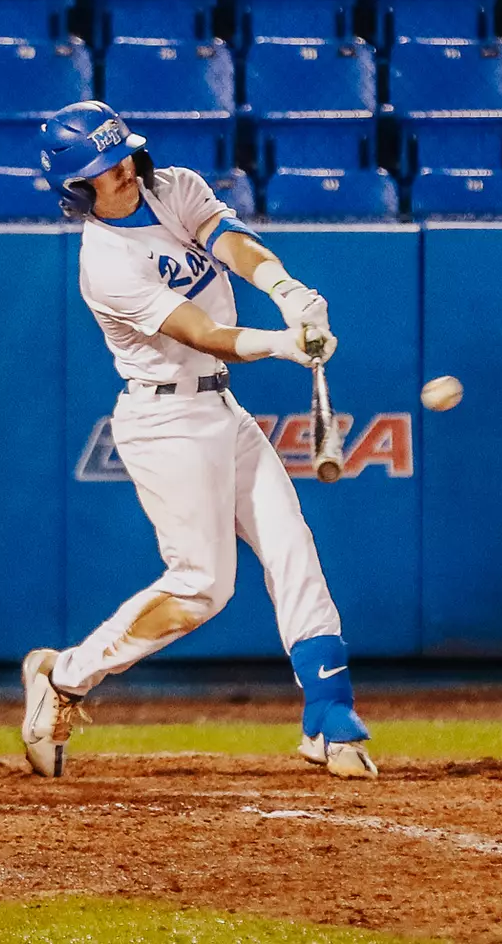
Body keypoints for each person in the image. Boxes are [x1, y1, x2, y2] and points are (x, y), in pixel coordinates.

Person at [19, 101, 379, 780]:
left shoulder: (173, 187)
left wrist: (287, 290)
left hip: (220, 409)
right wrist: (280, 344)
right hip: (164, 424)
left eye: (122, 154)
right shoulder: (105, 263)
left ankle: (328, 715)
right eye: (103, 166)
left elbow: (229, 241)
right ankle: (65, 676)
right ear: (77, 186)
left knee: (291, 546)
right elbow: (202, 334)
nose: (122, 168)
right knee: (201, 588)